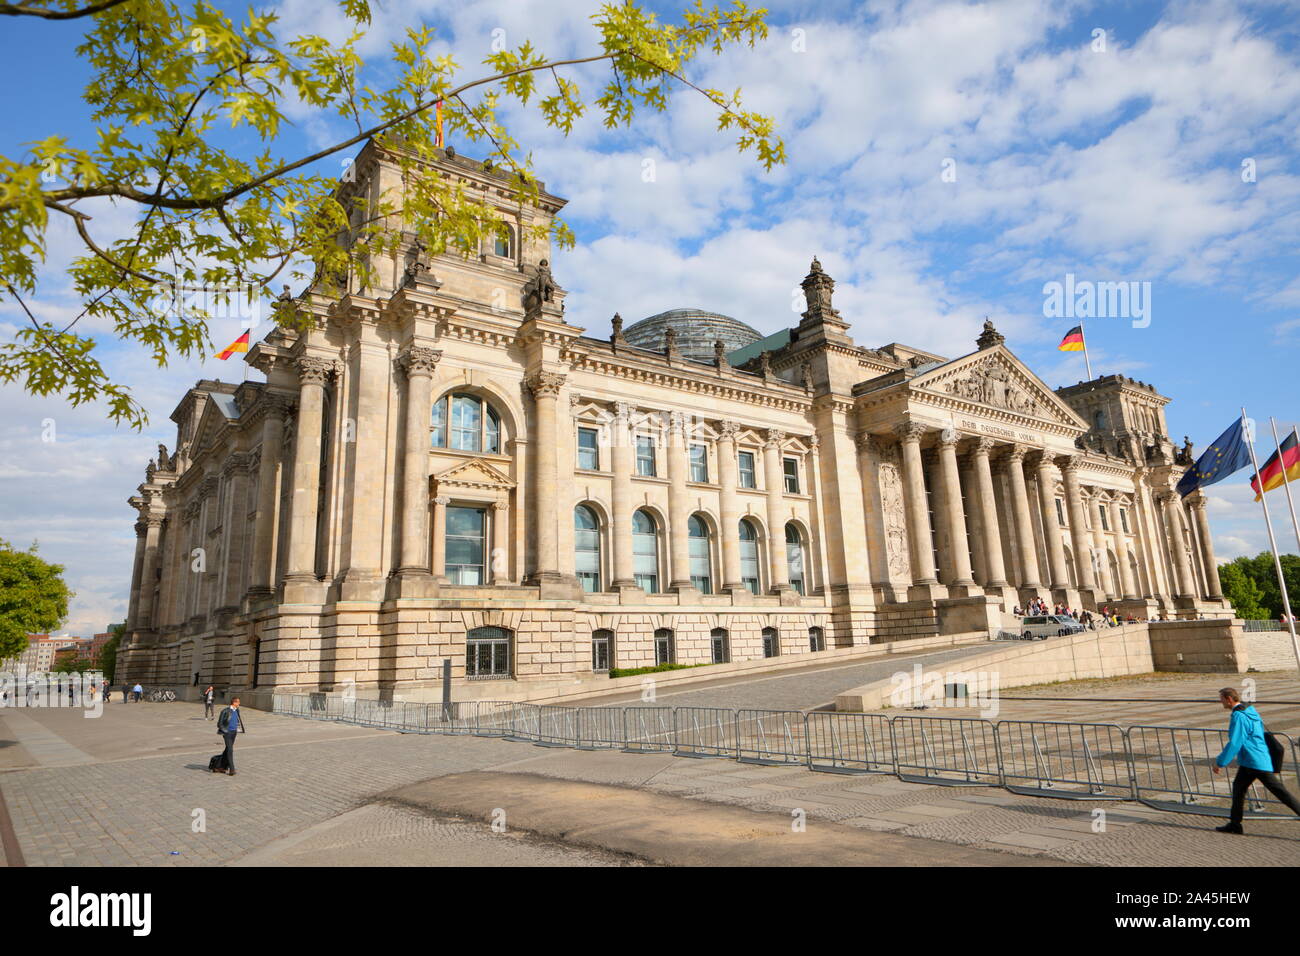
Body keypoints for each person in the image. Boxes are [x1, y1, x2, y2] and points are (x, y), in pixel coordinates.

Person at [1212, 687, 1300, 834]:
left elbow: (1235, 742)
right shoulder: (1251, 712)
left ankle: (1235, 824)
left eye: (1221, 699)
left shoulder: (1239, 716)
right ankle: (1235, 824)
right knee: (1238, 788)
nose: (1220, 702)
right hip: (1252, 760)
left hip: (1254, 761)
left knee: (1281, 793)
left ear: (1229, 699)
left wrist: (1220, 762)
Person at [215, 697, 246, 776]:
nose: (239, 704)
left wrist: (238, 729)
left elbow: (237, 721)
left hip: (234, 733)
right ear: (234, 703)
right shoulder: (225, 711)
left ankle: (219, 766)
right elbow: (219, 724)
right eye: (238, 702)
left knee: (227, 749)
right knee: (230, 750)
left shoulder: (237, 710)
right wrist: (226, 732)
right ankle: (232, 769)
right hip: (227, 733)